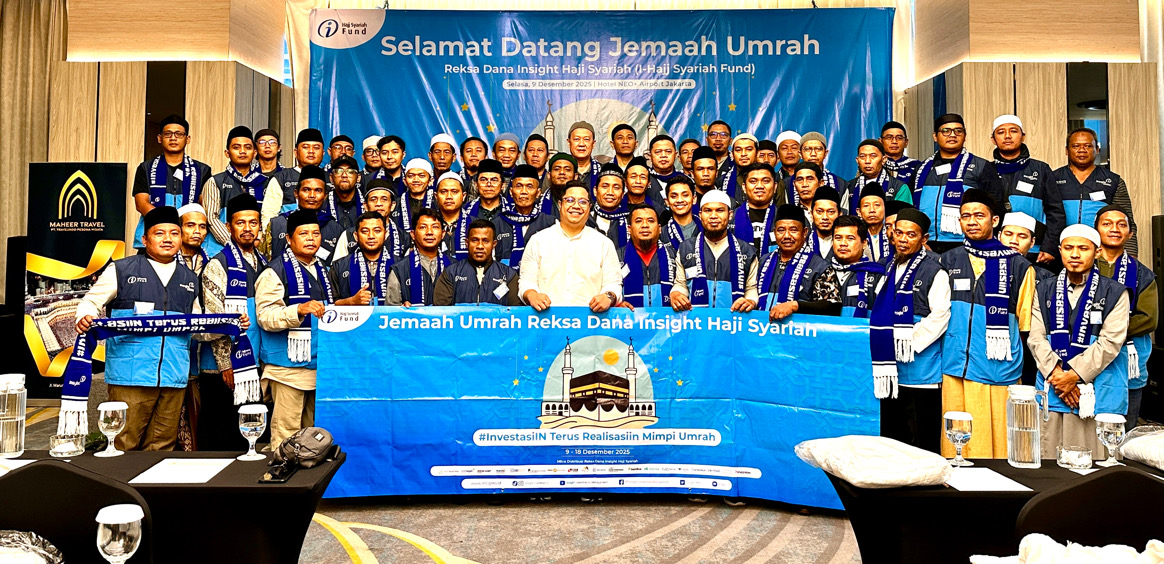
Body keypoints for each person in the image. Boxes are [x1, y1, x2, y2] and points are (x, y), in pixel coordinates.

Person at [75, 206, 204, 451]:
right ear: (145, 239)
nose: (168, 239)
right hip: (130, 375)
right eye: (159, 233)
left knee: (163, 446)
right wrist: (85, 316)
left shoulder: (190, 278)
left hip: (173, 374)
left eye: (174, 233)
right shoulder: (121, 270)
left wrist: (232, 324)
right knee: (124, 443)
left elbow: (197, 325)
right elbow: (90, 302)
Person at [939, 190, 1037, 459]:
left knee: (995, 442)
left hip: (996, 365)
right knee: (954, 439)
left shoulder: (1019, 266)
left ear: (994, 221)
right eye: (965, 216)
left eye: (979, 215)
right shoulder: (948, 259)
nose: (971, 221)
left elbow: (1027, 325)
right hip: (954, 363)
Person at [1028, 224, 1130, 458]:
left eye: (1083, 248)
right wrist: (1058, 375)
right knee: (1050, 460)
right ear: (1060, 251)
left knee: (1094, 463)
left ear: (1097, 252)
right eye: (1068, 248)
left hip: (1098, 390)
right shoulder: (1044, 289)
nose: (1075, 254)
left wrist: (1073, 376)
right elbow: (1036, 337)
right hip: (1053, 386)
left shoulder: (1115, 292)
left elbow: (1110, 342)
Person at [255, 208, 334, 448]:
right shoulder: (274, 271)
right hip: (287, 370)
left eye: (315, 233)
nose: (311, 238)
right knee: (286, 437)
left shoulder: (321, 269)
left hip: (317, 367)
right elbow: (265, 317)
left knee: (313, 439)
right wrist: (298, 310)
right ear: (289, 239)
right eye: (303, 234)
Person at [873, 208, 950, 453]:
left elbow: (940, 316)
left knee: (920, 440)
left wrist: (906, 344)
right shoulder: (887, 266)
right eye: (899, 233)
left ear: (924, 238)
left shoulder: (935, 271)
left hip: (920, 368)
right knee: (892, 438)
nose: (903, 239)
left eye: (911, 234)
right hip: (888, 366)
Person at [199, 194, 263, 451]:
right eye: (240, 223)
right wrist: (226, 364)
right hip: (222, 370)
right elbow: (216, 319)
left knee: (249, 437)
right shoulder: (218, 264)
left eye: (253, 223)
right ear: (228, 226)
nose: (247, 228)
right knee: (222, 440)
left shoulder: (263, 262)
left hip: (253, 362)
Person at [1094, 206, 1157, 429]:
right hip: (1087, 355)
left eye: (1121, 225)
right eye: (1107, 223)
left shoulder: (1142, 273)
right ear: (1096, 229)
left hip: (1128, 358)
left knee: (1124, 431)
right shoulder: (1083, 265)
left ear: (1130, 234)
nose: (1114, 229)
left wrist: (1106, 331)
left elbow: (1149, 318)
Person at [519, 184, 623, 311]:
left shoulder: (604, 243)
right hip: (546, 319)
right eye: (569, 200)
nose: (576, 206)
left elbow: (614, 284)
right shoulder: (538, 240)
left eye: (582, 202)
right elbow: (526, 282)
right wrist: (532, 295)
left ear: (589, 207)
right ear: (560, 204)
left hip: (592, 319)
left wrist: (608, 296)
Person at [913, 113, 1007, 252]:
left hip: (967, 243)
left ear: (965, 135)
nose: (952, 135)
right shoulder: (921, 169)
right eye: (946, 131)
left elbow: (996, 205)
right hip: (926, 243)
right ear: (935, 136)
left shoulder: (981, 166)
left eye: (958, 131)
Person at [1045, 128, 1138, 262]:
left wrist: (1131, 255)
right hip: (1060, 251)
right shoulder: (1052, 178)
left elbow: (1126, 220)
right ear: (1066, 150)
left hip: (1100, 252)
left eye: (1088, 146)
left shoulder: (1113, 181)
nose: (1082, 150)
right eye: (1076, 146)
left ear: (1097, 149)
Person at [131, 114, 212, 249]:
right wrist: (168, 224)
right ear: (159, 138)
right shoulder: (145, 168)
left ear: (187, 139)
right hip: (154, 235)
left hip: (189, 237)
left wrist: (184, 225)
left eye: (179, 134)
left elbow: (204, 205)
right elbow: (141, 204)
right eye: (168, 134)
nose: (173, 138)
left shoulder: (202, 170)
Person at [670, 190, 758, 311]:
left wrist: (750, 301)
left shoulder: (747, 252)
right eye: (708, 210)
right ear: (700, 215)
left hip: (732, 319)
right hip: (696, 319)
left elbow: (751, 288)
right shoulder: (686, 248)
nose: (713, 216)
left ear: (730, 215)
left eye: (720, 210)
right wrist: (676, 294)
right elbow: (681, 284)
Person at [1000, 212, 1055, 387]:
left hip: (1033, 353)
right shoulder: (985, 269)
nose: (1014, 241)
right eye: (1008, 234)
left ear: (1032, 243)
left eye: (1022, 236)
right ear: (998, 236)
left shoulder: (1046, 278)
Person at [800, 215, 886, 318]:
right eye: (838, 238)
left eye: (850, 238)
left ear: (864, 243)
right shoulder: (819, 271)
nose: (843, 243)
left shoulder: (877, 275)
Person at [992, 115, 1053, 256]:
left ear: (1023, 136)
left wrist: (1049, 247)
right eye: (1001, 132)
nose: (1007, 136)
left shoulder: (1041, 169)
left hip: (1035, 251)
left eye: (1013, 131)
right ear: (993, 139)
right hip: (994, 249)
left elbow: (1055, 211)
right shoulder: (986, 170)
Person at [760, 204, 832, 321]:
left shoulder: (819, 266)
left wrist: (795, 306)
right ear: (774, 232)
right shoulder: (764, 261)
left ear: (804, 232)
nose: (787, 236)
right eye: (781, 230)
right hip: (762, 328)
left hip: (801, 330)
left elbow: (831, 307)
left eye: (793, 230)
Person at [263, 165, 343, 264]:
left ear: (325, 196)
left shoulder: (336, 229)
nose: (312, 195)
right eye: (306, 190)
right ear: (296, 193)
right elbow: (264, 261)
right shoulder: (277, 224)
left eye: (318, 191)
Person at [204, 126, 262, 259]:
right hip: (219, 251)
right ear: (227, 153)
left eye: (247, 147)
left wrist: (257, 238)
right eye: (236, 147)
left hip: (255, 250)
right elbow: (211, 218)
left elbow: (267, 217)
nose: (242, 151)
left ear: (254, 153)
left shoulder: (264, 182)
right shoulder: (215, 181)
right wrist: (234, 243)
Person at [434, 219, 519, 306]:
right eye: (475, 240)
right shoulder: (451, 273)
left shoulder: (508, 275)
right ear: (467, 243)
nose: (480, 246)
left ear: (494, 244)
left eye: (485, 241)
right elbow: (441, 311)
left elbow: (517, 312)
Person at [261, 128, 325, 229]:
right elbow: (269, 213)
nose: (311, 151)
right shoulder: (281, 178)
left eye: (316, 148)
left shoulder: (330, 179)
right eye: (305, 147)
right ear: (295, 152)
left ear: (323, 153)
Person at [387, 208, 451, 307]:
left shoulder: (455, 266)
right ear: (413, 234)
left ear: (443, 234)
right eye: (423, 227)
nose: (429, 232)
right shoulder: (399, 269)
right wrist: (401, 310)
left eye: (435, 227)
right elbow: (390, 310)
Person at [494, 165, 554, 269]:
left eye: (530, 186)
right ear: (511, 192)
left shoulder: (550, 223)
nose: (524, 192)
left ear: (538, 193)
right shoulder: (498, 223)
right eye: (519, 186)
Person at [617, 204, 675, 308]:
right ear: (629, 229)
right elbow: (609, 288)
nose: (645, 225)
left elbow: (684, 288)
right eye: (638, 221)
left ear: (659, 229)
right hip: (629, 317)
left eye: (651, 221)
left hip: (668, 317)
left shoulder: (673, 255)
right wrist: (617, 305)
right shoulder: (617, 257)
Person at [330, 211, 394, 305]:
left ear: (386, 234)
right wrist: (351, 301)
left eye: (377, 231)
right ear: (356, 236)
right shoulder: (339, 266)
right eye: (365, 231)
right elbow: (330, 304)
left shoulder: (399, 265)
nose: (371, 236)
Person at [333, 179, 404, 262]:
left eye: (384, 199)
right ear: (365, 206)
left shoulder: (404, 237)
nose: (378, 204)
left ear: (392, 206)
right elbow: (338, 266)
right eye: (373, 199)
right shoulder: (348, 235)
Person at [846, 139, 911, 211]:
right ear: (857, 161)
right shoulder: (849, 187)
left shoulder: (899, 187)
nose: (867, 161)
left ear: (884, 159)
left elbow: (904, 216)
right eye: (863, 156)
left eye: (873, 156)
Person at [731, 163, 781, 253]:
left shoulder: (784, 218)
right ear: (744, 187)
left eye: (765, 181)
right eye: (753, 181)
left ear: (775, 187)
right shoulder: (731, 219)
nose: (759, 186)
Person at [434, 173, 474, 260]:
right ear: (436, 196)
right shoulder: (428, 225)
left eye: (454, 192)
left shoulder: (475, 224)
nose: (449, 196)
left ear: (463, 196)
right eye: (444, 192)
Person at [393, 158, 436, 235]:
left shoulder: (438, 202)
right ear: (404, 181)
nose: (416, 180)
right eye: (411, 176)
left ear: (431, 181)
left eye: (421, 176)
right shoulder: (395, 204)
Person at [592, 163, 630, 249]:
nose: (610, 192)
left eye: (616, 188)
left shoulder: (631, 221)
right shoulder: (585, 219)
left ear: (623, 194)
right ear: (595, 191)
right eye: (605, 186)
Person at [717, 133, 760, 204]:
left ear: (757, 153)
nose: (743, 154)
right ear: (732, 154)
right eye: (738, 150)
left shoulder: (769, 179)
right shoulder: (721, 181)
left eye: (749, 149)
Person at [325, 155, 363, 230]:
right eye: (339, 171)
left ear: (358, 178)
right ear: (331, 178)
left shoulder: (366, 205)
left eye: (350, 171)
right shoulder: (323, 205)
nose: (344, 175)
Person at [857, 184, 893, 264]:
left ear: (885, 209)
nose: (872, 210)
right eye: (866, 206)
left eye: (877, 205)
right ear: (859, 212)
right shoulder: (856, 235)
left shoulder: (893, 234)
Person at [663, 175, 701, 249]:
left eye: (685, 195)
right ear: (667, 202)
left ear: (694, 199)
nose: (679, 200)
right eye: (674, 196)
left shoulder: (705, 229)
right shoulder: (661, 233)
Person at [879, 121, 921, 187]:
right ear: (880, 141)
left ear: (906, 142)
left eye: (899, 138)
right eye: (889, 137)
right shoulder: (875, 164)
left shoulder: (916, 166)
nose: (894, 141)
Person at [808, 186, 842, 259]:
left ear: (840, 214)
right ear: (811, 214)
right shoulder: (803, 242)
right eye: (819, 211)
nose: (825, 217)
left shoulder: (846, 244)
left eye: (831, 212)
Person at [647, 135, 684, 202]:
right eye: (658, 152)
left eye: (668, 151)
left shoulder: (685, 179)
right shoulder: (643, 179)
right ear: (649, 156)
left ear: (675, 155)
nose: (663, 155)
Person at [175, 203, 210, 274]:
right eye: (190, 225)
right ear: (178, 229)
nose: (197, 231)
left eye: (202, 226)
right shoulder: (168, 260)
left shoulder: (211, 262)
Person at [542, 153, 578, 217]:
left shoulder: (584, 203)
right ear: (549, 175)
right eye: (556, 169)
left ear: (575, 176)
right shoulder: (538, 204)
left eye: (567, 170)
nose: (562, 172)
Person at [569, 122, 602, 188]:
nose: (581, 144)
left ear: (593, 144)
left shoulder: (603, 171)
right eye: (576, 139)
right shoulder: (562, 173)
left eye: (586, 139)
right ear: (569, 143)